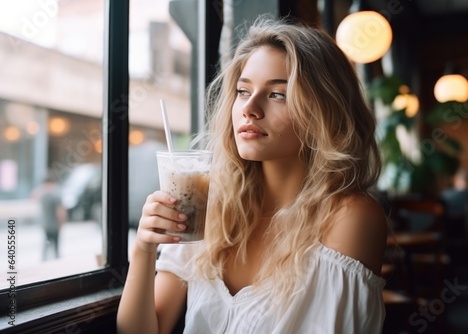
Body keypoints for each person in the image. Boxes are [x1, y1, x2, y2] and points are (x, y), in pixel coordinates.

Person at [117, 15, 387, 333]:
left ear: (324, 111)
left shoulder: (348, 218)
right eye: (243, 92)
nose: (250, 109)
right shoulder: (203, 203)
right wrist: (144, 249)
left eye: (277, 94)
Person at [31, 170, 67, 260]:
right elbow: (60, 211)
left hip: (46, 224)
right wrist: (62, 222)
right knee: (55, 245)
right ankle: (55, 259)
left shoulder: (43, 193)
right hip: (54, 224)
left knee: (47, 243)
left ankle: (45, 259)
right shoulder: (56, 193)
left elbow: (32, 196)